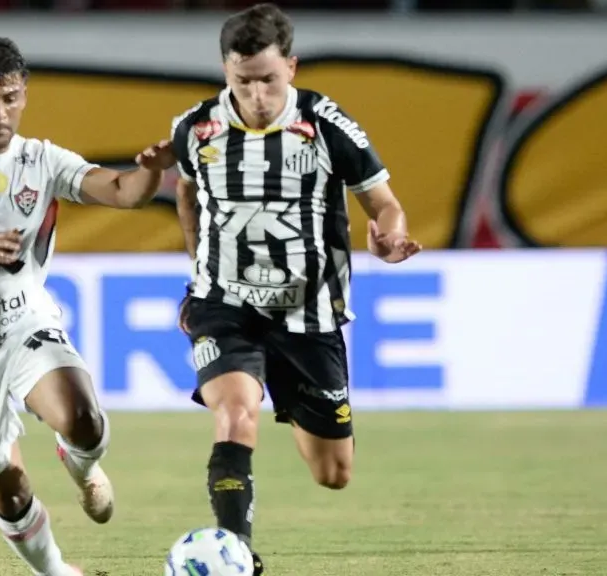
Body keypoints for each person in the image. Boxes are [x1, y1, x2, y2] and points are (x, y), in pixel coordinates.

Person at [0, 37, 175, 576]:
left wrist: (153, 170)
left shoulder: (41, 160)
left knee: (84, 418)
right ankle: (56, 571)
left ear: (24, 96)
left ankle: (83, 465)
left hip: (24, 320)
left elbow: (123, 190)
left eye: (10, 98)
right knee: (5, 484)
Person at [170, 4, 422, 574]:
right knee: (235, 414)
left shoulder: (328, 125)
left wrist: (390, 237)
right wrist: (198, 266)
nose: (257, 95)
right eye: (243, 81)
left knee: (333, 474)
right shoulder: (195, 128)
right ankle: (236, 556)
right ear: (224, 71)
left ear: (292, 66)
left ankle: (296, 404)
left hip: (309, 317)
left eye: (269, 80)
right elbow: (185, 193)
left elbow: (384, 203)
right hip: (225, 305)